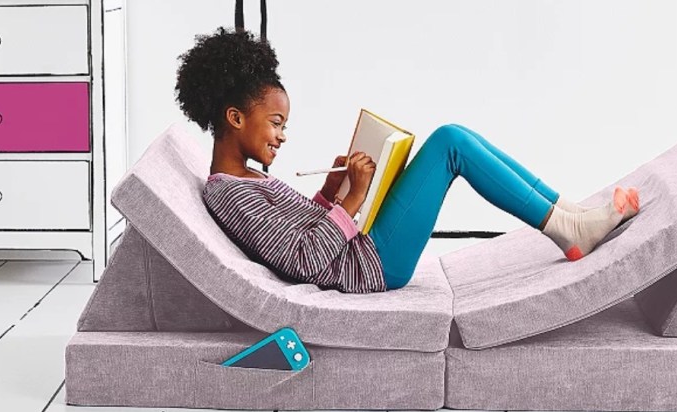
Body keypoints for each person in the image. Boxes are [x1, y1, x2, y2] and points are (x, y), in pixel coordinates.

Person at [175, 27, 639, 294]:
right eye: (275, 122)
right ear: (235, 118)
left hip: (365, 250)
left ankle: (567, 212)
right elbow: (301, 260)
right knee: (451, 143)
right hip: (373, 264)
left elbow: (299, 234)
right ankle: (568, 229)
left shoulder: (243, 180)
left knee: (455, 138)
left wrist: (330, 192)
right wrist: (354, 196)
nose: (282, 135)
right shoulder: (230, 193)